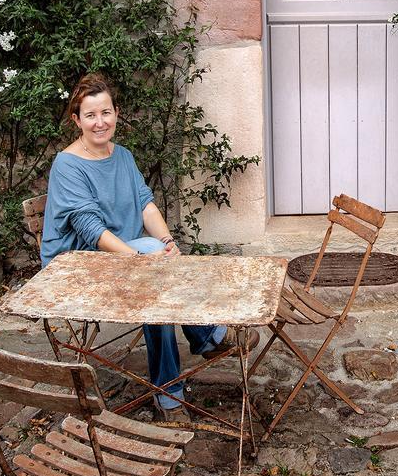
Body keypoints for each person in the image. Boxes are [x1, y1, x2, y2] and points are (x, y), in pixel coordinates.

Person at [41, 73, 257, 421]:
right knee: (157, 280)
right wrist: (142, 259)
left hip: (124, 252)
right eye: (91, 115)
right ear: (76, 120)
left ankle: (174, 382)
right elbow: (90, 229)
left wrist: (168, 243)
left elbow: (146, 205)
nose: (100, 122)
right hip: (77, 265)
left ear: (116, 113)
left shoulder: (122, 156)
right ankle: (198, 350)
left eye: (106, 113)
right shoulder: (67, 165)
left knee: (160, 272)